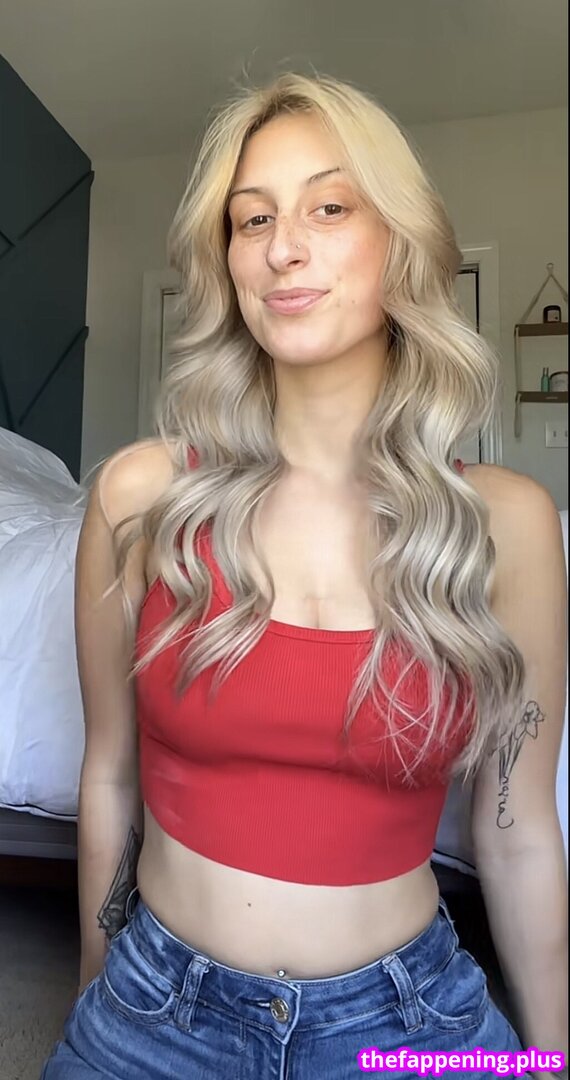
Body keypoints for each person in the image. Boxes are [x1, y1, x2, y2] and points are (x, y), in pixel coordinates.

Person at [40, 72, 567, 1079]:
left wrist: (552, 1058)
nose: (283, 246)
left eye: (329, 208)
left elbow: (519, 833)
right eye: (253, 219)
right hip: (155, 1005)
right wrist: (98, 1003)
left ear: (401, 242)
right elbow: (109, 774)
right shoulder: (140, 497)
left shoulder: (509, 525)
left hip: (411, 1026)